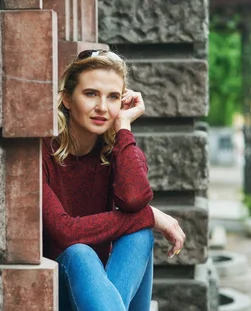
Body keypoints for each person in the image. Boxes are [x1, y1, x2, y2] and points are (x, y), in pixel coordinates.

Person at [42, 49, 186, 311]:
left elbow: (133, 199)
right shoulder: (41, 152)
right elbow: (66, 233)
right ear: (66, 99)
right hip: (58, 290)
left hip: (104, 295)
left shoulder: (117, 150)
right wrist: (151, 216)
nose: (102, 107)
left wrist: (124, 127)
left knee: (140, 235)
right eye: (90, 94)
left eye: (113, 97)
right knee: (80, 252)